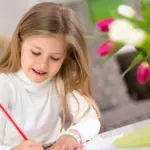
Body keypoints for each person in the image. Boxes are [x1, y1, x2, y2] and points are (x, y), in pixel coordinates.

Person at [0, 2, 101, 150]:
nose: (43, 65)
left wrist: (71, 135)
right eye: (35, 53)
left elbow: (91, 120)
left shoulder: (59, 82)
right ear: (20, 43)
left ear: (65, 57)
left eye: (54, 58)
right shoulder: (5, 85)